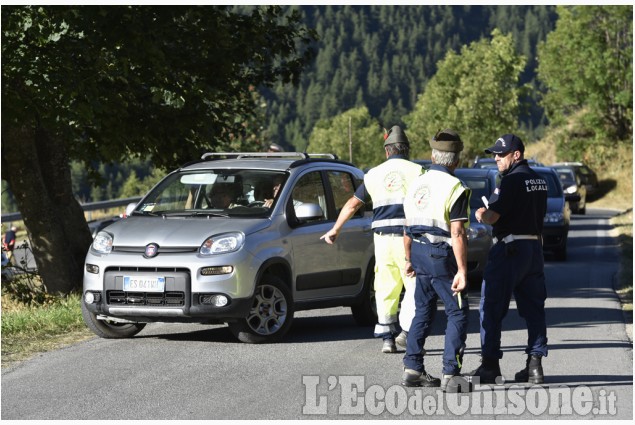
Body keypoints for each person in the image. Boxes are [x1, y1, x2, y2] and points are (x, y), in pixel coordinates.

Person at [320, 125, 423, 353]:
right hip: (410, 240)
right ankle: (407, 334)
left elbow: (353, 204)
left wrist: (335, 229)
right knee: (415, 287)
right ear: (405, 150)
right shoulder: (418, 172)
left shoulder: (374, 174)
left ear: (387, 151)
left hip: (383, 241)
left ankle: (387, 337)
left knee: (386, 286)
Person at [468, 133, 548, 385]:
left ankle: (490, 366)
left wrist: (482, 213)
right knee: (534, 309)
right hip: (533, 250)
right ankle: (535, 365)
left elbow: (493, 217)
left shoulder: (511, 180)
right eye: (494, 154)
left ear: (517, 155)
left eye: (501, 154)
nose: (496, 159)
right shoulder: (539, 181)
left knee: (490, 307)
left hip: (509, 249)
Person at [401, 129, 471, 392]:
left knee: (423, 310)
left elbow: (407, 226)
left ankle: (412, 369)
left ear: (432, 155)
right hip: (441, 254)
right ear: (456, 160)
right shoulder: (455, 187)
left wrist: (408, 258)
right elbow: (457, 232)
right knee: (457, 312)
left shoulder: (416, 184)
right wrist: (462, 270)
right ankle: (451, 375)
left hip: (418, 251)